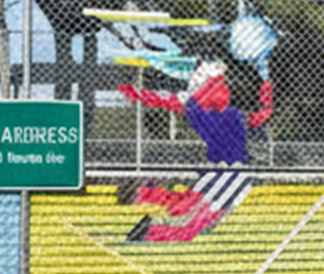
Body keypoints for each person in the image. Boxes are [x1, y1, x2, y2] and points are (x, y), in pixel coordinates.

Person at [117, 57, 274, 242]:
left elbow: (161, 100)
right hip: (233, 172)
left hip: (221, 170)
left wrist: (132, 92)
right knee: (194, 224)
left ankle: (144, 198)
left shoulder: (197, 104)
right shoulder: (220, 107)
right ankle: (146, 226)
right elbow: (258, 116)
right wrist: (266, 92)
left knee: (192, 206)